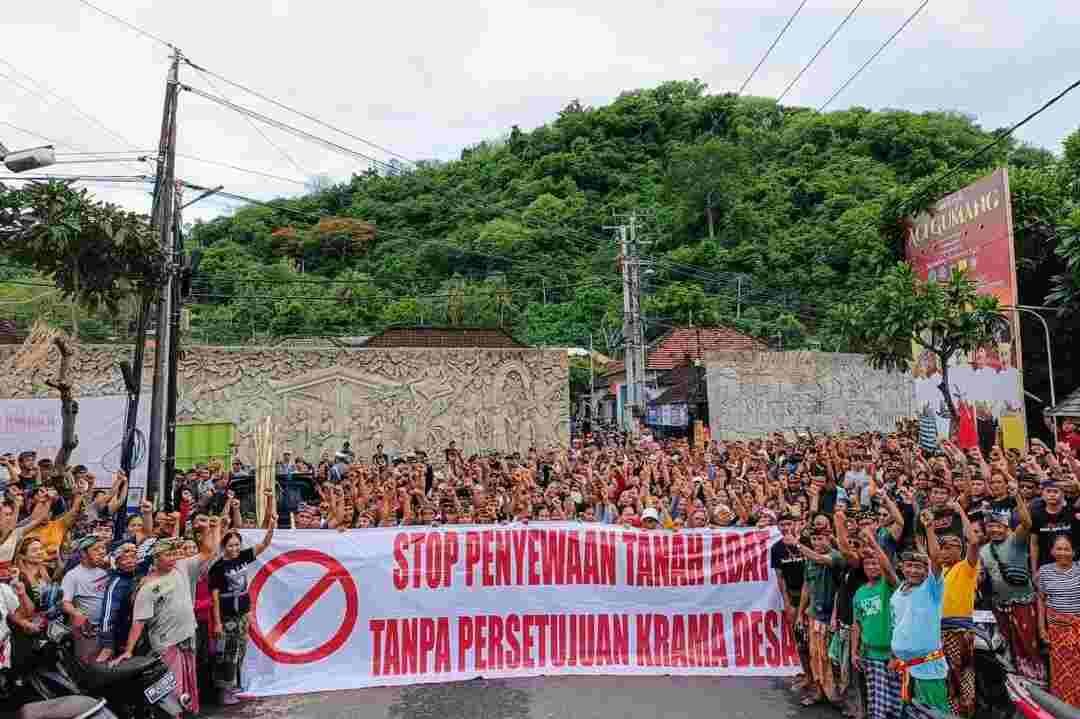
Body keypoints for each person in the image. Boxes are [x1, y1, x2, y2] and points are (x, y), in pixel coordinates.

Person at [112, 517, 222, 716]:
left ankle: (187, 714)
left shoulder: (181, 567)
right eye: (167, 554)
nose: (172, 558)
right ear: (156, 558)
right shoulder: (147, 586)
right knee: (172, 689)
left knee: (188, 687)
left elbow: (208, 551)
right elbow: (139, 621)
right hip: (166, 645)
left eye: (173, 553)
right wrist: (129, 650)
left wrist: (207, 529)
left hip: (187, 638)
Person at [210, 491, 276, 705]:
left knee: (240, 650)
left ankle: (234, 685)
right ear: (224, 547)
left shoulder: (244, 556)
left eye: (237, 545)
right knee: (226, 653)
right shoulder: (218, 567)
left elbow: (264, 545)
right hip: (227, 616)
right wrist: (218, 622)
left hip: (242, 615)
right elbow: (215, 596)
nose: (235, 549)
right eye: (230, 545)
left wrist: (271, 527)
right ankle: (224, 690)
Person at [979, 494, 1045, 683]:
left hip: (1024, 603)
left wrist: (1017, 496)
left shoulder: (1015, 541)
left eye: (998, 526)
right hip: (1000, 606)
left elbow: (1027, 523)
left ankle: (1037, 680)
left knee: (1028, 644)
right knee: (1009, 645)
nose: (994, 530)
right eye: (990, 526)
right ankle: (1016, 681)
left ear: (1006, 526)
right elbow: (982, 576)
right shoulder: (984, 550)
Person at [889, 509, 950, 713]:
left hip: (928, 671)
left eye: (919, 567)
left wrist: (929, 528)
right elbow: (897, 625)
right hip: (905, 668)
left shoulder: (931, 589)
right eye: (909, 566)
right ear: (902, 567)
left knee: (935, 714)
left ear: (926, 571)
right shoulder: (899, 590)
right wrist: (894, 655)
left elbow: (936, 559)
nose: (913, 570)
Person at [852, 526, 901, 719]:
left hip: (893, 655)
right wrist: (854, 652)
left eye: (875, 563)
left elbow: (887, 567)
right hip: (870, 654)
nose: (872, 567)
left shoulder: (889, 585)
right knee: (877, 705)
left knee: (897, 705)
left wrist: (873, 542)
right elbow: (857, 624)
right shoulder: (860, 592)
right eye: (868, 564)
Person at [938, 502, 980, 717]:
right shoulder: (939, 571)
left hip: (960, 631)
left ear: (960, 549)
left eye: (950, 547)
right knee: (947, 680)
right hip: (940, 631)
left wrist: (960, 511)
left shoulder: (966, 567)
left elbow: (974, 541)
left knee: (964, 678)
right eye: (942, 547)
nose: (945, 551)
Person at [798, 527, 845, 707]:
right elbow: (807, 587)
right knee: (815, 656)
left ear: (829, 539)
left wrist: (797, 544)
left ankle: (836, 696)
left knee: (830, 657)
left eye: (821, 538)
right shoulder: (809, 560)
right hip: (814, 616)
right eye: (814, 539)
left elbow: (820, 559)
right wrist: (801, 612)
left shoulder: (836, 556)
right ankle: (819, 692)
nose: (817, 542)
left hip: (831, 618)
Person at [1037, 535, 1080, 707]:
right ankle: (1064, 707)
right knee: (1061, 670)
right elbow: (1041, 600)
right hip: (1057, 631)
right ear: (1052, 551)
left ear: (1073, 552)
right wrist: (1042, 628)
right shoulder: (1044, 571)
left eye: (1067, 549)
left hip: (1078, 628)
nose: (1063, 552)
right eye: (1059, 549)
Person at [61, 534, 111, 661]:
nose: (102, 552)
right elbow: (65, 603)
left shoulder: (105, 572)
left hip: (107, 630)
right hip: (88, 633)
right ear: (83, 553)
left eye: (103, 548)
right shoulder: (73, 575)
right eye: (96, 549)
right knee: (88, 663)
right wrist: (77, 613)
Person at [95, 542, 139, 663]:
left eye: (133, 557)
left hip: (137, 636)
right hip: (121, 639)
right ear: (117, 562)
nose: (130, 561)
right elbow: (107, 614)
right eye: (125, 558)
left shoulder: (137, 576)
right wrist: (107, 644)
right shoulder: (116, 583)